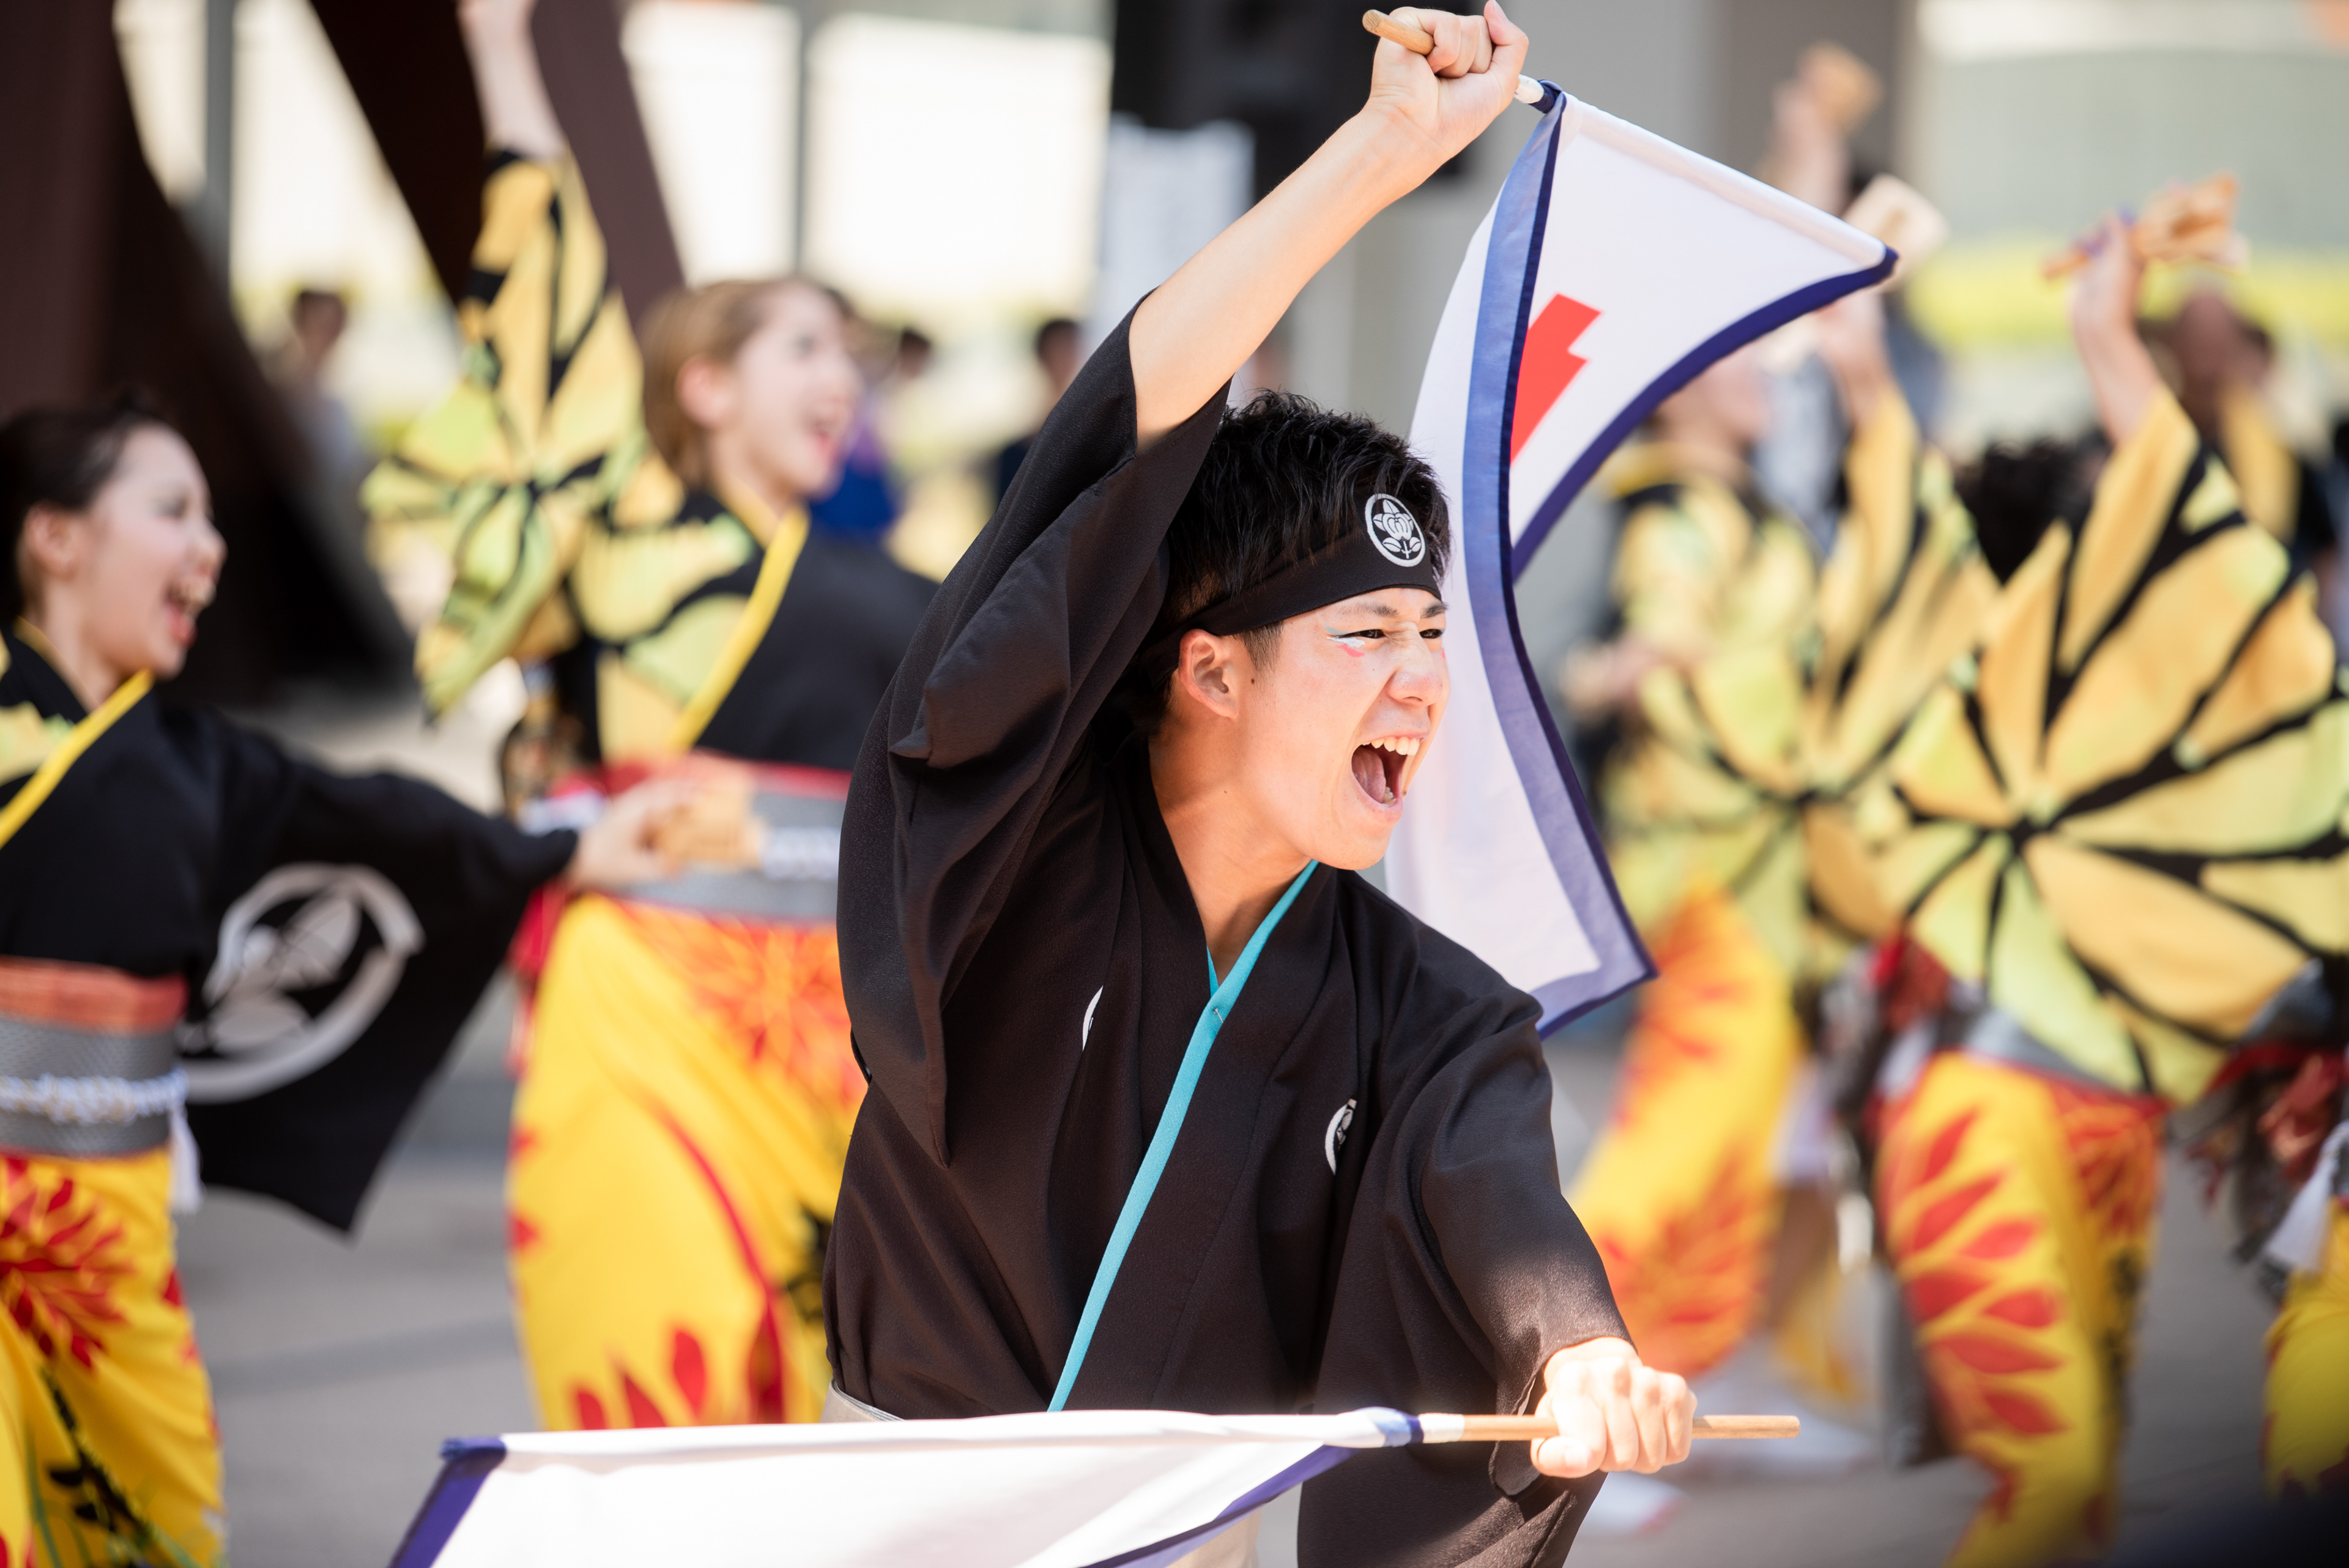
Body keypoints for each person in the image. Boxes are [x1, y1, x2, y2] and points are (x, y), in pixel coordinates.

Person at [826, 9, 1693, 1566]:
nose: (1421, 680)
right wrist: (1383, 151)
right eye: (1366, 634)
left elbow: (1496, 1202)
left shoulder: (1423, 1008)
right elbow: (1124, 426)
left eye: (1431, 635)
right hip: (911, 1503)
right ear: (1212, 669)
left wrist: (1577, 1355)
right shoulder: (1018, 832)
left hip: (1192, 1529)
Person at [363, 0, 934, 1431]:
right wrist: (501, 49)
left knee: (785, 1424)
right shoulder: (623, 538)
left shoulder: (897, 587)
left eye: (847, 353)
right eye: (803, 346)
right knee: (656, 1387)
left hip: (827, 1029)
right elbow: (545, 307)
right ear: (703, 384)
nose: (840, 377)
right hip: (646, 1003)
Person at [0, 393, 670, 1568]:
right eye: (171, 510)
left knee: (160, 1524)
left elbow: (380, 820)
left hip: (105, 1219)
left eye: (211, 518)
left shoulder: (192, 760)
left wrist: (564, 846)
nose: (209, 548)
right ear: (55, 536)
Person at [1852, 217, 2349, 1565]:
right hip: (1987, 1113)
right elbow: (2201, 526)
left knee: (2083, 1504)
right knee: (2058, 1477)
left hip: (2111, 1136)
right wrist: (2099, 335)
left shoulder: (2252, 726)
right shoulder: (2082, 689)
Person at [989, 315, 1083, 507]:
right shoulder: (1015, 456)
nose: (1065, 360)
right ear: (1042, 356)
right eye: (1059, 351)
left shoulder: (1098, 442)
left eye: (1071, 350)